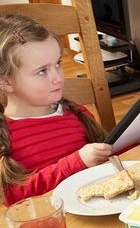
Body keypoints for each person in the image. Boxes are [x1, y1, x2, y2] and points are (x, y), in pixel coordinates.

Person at [0, 14, 113, 206]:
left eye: (58, 64)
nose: (58, 77)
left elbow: (107, 155)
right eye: (42, 71)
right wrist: (76, 162)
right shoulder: (6, 136)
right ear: (6, 81)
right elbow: (12, 197)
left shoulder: (77, 113)